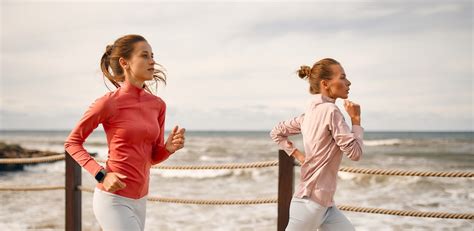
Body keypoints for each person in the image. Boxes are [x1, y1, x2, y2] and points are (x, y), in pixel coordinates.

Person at [64, 34, 185, 231]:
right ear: (125, 62)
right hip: (112, 200)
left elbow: (152, 157)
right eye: (144, 56)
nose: (152, 61)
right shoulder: (108, 103)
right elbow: (72, 143)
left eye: (152, 55)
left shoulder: (158, 105)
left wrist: (169, 149)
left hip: (141, 200)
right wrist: (101, 175)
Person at [270, 58, 363, 231]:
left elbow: (276, 132)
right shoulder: (331, 111)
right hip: (309, 204)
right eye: (342, 77)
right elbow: (355, 153)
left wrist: (297, 155)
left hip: (325, 206)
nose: (348, 82)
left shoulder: (308, 115)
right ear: (325, 84)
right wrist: (356, 120)